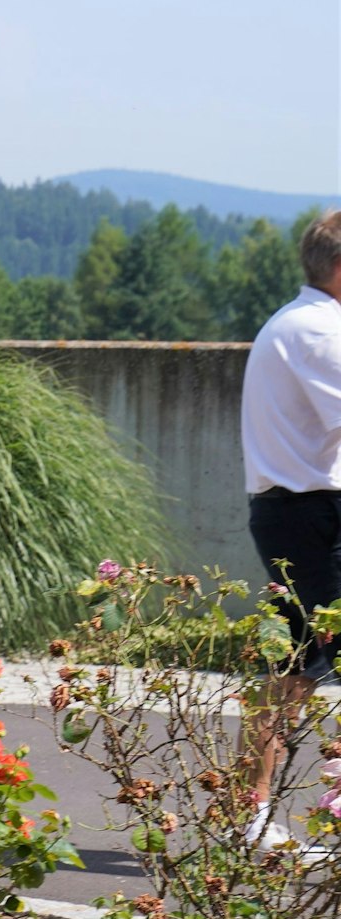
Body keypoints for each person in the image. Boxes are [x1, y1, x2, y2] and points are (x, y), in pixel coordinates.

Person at [239, 208, 341, 850]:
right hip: (314, 513)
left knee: (294, 668)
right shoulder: (318, 332)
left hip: (299, 511)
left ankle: (248, 817)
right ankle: (253, 816)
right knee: (298, 667)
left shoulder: (303, 323)